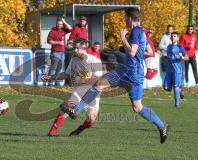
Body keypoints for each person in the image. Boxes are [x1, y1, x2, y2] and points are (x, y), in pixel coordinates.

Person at [61, 8, 169, 144]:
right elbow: (149, 51)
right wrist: (130, 48)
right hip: (124, 70)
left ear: (129, 18)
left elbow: (132, 52)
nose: (124, 20)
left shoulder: (135, 31)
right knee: (98, 85)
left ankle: (162, 125)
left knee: (137, 107)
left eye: (125, 17)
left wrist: (123, 38)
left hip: (134, 75)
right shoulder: (142, 32)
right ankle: (75, 110)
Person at [43, 38, 103, 136]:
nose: (75, 50)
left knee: (91, 120)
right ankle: (51, 134)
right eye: (74, 48)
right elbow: (66, 74)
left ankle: (80, 129)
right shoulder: (74, 59)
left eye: (77, 48)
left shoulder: (95, 60)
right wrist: (51, 77)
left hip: (92, 95)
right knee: (66, 108)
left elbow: (98, 80)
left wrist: (82, 80)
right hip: (78, 92)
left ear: (84, 49)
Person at [164, 32, 188, 108]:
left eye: (174, 36)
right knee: (166, 88)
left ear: (177, 38)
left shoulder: (180, 47)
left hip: (177, 70)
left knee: (175, 87)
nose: (173, 37)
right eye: (172, 36)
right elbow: (168, 57)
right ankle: (180, 90)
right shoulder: (168, 47)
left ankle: (176, 105)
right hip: (169, 70)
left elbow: (187, 57)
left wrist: (183, 57)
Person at [47, 18, 72, 86]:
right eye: (58, 24)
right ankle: (50, 82)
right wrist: (58, 42)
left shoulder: (63, 30)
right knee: (53, 68)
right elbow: (49, 41)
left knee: (59, 68)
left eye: (61, 24)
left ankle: (56, 81)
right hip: (55, 52)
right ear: (56, 24)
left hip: (62, 52)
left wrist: (65, 21)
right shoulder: (53, 31)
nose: (59, 25)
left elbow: (70, 28)